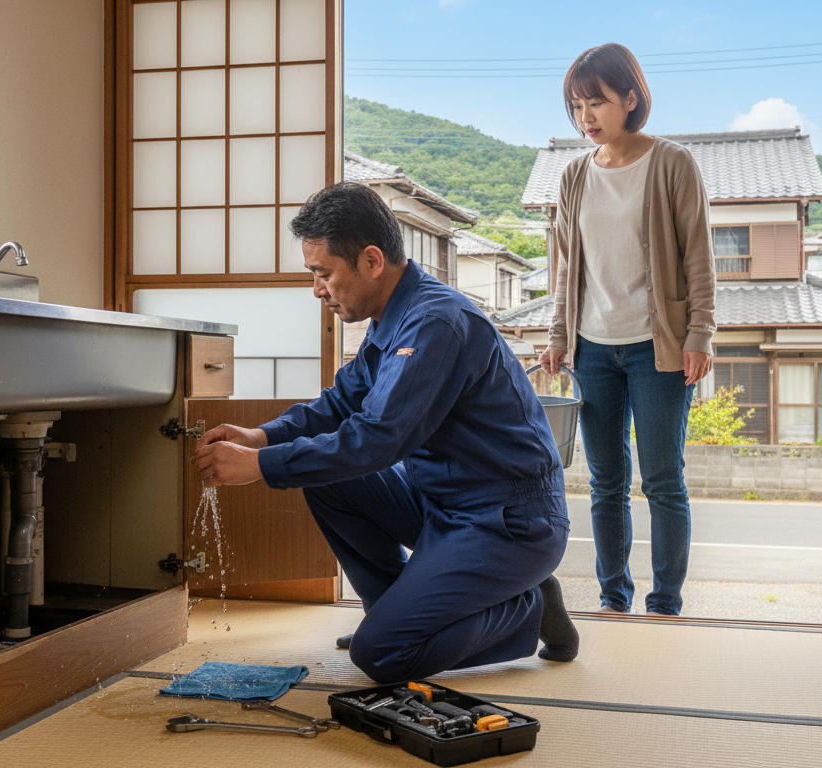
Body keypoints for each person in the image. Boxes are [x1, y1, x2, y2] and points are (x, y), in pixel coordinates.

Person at [192, 182, 578, 683]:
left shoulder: (438, 323)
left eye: (323, 274)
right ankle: (396, 613)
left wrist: (262, 467)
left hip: (509, 522)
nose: (317, 290)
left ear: (372, 261)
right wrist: (261, 437)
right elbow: (338, 404)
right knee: (327, 477)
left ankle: (526, 607)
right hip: (443, 507)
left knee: (382, 656)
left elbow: (378, 439)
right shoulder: (387, 321)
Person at [538, 43, 716, 617]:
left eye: (597, 102)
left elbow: (699, 260)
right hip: (592, 349)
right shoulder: (573, 175)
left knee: (663, 480)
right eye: (576, 105)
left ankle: (665, 603)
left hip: (657, 348)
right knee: (605, 482)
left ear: (631, 98)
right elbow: (564, 266)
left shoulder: (672, 163)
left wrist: (699, 335)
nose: (585, 116)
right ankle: (614, 599)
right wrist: (560, 335)